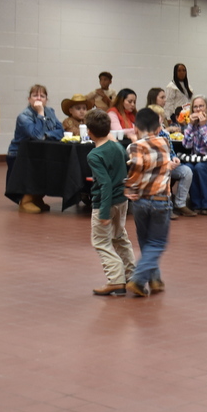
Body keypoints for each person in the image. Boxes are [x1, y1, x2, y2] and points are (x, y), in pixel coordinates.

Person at [85, 108, 135, 297]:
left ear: (89, 131)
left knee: (101, 241)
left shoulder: (94, 155)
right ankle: (132, 275)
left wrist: (104, 212)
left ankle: (116, 280)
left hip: (105, 203)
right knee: (120, 237)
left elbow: (104, 184)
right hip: (122, 200)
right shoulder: (118, 147)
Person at [124, 108, 173, 298]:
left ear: (135, 127)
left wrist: (130, 187)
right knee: (158, 242)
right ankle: (138, 279)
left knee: (146, 242)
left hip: (141, 201)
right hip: (161, 200)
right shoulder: (165, 142)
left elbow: (135, 169)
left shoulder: (134, 147)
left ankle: (155, 279)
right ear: (159, 127)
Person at [7, 84, 64, 213]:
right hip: (19, 154)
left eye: (42, 96)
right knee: (34, 168)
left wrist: (46, 135)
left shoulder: (51, 111)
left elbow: (60, 131)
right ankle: (25, 201)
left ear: (46, 100)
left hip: (42, 152)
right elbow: (36, 135)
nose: (38, 98)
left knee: (50, 168)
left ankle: (37, 198)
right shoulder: (24, 116)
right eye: (35, 95)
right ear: (29, 99)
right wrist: (40, 113)